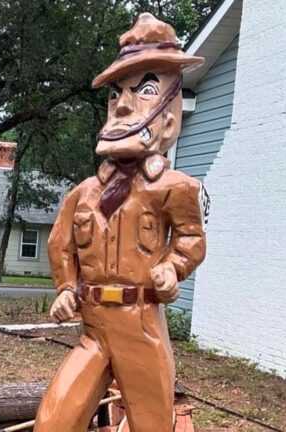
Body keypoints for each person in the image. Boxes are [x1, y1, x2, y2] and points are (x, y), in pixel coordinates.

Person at [34, 13, 208, 432]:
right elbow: (60, 244)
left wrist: (173, 267)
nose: (125, 104)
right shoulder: (84, 193)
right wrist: (64, 288)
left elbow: (190, 238)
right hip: (93, 327)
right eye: (116, 95)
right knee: (53, 421)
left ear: (170, 114)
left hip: (141, 325)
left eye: (145, 89)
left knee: (151, 424)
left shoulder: (175, 187)